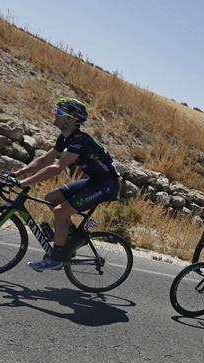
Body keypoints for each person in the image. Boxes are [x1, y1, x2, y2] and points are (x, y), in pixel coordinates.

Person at [12, 98, 122, 271]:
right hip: (95, 180)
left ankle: (56, 258)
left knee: (60, 212)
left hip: (107, 185)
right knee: (51, 198)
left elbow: (57, 167)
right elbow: (45, 159)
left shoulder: (80, 140)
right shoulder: (65, 138)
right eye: (57, 110)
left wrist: (23, 182)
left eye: (60, 112)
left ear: (71, 119)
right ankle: (70, 240)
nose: (55, 114)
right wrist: (15, 174)